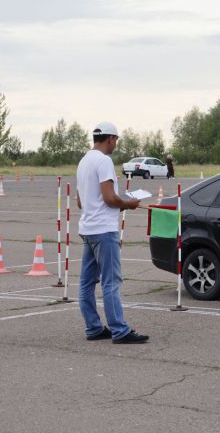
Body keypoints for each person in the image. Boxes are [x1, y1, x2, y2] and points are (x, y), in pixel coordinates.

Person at [76, 121, 148, 344]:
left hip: (87, 228)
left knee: (87, 283)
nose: (115, 144)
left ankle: (94, 328)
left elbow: (80, 201)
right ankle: (120, 330)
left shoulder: (84, 161)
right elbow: (109, 198)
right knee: (111, 281)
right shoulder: (104, 161)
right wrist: (129, 203)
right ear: (110, 139)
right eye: (116, 140)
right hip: (104, 230)